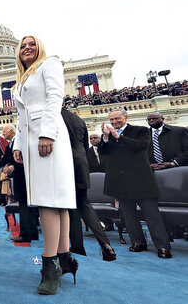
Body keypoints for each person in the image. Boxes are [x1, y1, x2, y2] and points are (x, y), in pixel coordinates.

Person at [12, 36, 77, 295]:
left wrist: (47, 133)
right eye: (23, 45)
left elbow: (54, 98)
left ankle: (49, 264)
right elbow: (21, 116)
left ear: (40, 48)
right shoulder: (23, 78)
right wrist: (18, 144)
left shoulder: (49, 64)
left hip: (47, 136)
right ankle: (64, 258)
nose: (27, 48)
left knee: (49, 199)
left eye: (32, 44)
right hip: (30, 139)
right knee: (55, 200)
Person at [99, 108, 172, 259]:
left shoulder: (141, 130)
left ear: (125, 118)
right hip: (120, 182)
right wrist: (105, 139)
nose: (114, 122)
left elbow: (141, 147)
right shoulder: (108, 135)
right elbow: (103, 153)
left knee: (152, 215)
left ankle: (162, 246)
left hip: (141, 181)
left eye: (117, 119)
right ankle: (138, 242)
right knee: (129, 215)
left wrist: (118, 137)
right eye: (111, 120)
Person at [61, 108, 116, 261]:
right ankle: (106, 245)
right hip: (80, 163)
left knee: (70, 208)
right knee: (84, 204)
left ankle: (78, 247)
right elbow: (85, 147)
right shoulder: (78, 119)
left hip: (64, 164)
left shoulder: (51, 115)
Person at [0, 125, 39, 243]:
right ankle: (32, 232)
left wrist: (14, 166)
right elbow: (4, 160)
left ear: (12, 131)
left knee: (24, 204)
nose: (3, 133)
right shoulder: (10, 145)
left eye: (4, 131)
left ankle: (25, 234)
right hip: (18, 177)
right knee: (25, 204)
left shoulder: (21, 141)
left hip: (24, 176)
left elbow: (26, 158)